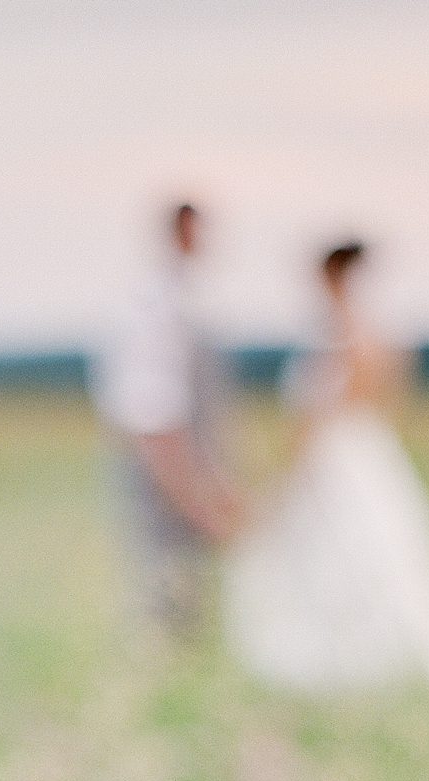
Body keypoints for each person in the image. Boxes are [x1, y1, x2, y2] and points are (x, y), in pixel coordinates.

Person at [224, 239, 429, 694]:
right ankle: (379, 662)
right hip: (368, 453)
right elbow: (393, 394)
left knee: (338, 552)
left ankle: (344, 665)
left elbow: (316, 417)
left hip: (335, 459)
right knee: (382, 552)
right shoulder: (378, 334)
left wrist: (288, 472)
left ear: (331, 276)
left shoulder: (339, 336)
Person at [91, 201, 244, 636]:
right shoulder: (153, 310)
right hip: (162, 487)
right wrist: (193, 500)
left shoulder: (192, 304)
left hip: (190, 476)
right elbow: (153, 422)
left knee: (195, 606)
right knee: (169, 606)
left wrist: (218, 484)